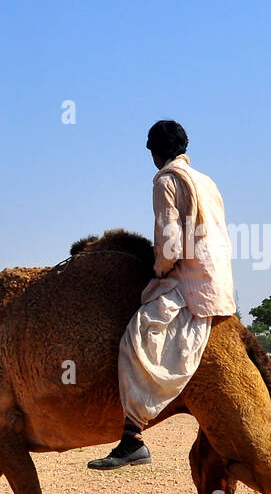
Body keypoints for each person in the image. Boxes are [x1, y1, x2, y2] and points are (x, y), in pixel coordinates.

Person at [88, 120, 235, 470]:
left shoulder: (166, 181)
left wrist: (158, 269)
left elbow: (169, 241)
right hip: (219, 284)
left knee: (136, 338)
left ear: (155, 153)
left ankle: (132, 435)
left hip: (189, 283)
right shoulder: (206, 180)